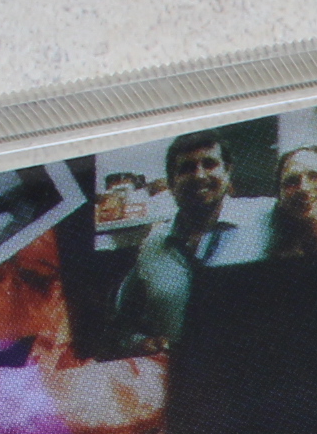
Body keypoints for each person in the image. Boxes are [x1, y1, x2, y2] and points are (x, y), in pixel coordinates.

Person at [116, 131, 278, 345]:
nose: (199, 175)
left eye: (209, 164)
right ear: (171, 183)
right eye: (187, 168)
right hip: (181, 363)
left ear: (228, 171)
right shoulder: (153, 245)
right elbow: (123, 325)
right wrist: (140, 342)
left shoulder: (266, 215)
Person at [269, 142, 317, 260]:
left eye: (315, 176)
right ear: (279, 195)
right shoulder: (276, 255)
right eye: (292, 181)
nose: (304, 188)